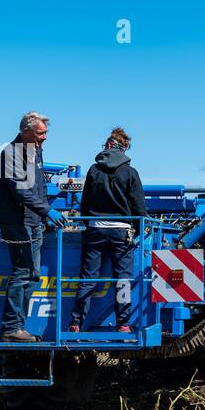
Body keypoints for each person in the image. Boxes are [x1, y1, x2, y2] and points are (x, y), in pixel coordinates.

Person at [68, 127, 147, 333]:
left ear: (107, 146)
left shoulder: (95, 170)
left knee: (88, 278)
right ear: (124, 148)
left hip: (95, 229)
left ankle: (76, 322)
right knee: (122, 279)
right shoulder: (130, 172)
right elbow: (139, 206)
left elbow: (84, 203)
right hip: (122, 231)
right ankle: (123, 323)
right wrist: (140, 228)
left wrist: (88, 223)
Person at [0, 112, 64, 342]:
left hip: (33, 221)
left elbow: (40, 186)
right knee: (22, 272)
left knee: (33, 275)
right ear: (26, 131)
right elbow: (20, 190)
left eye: (45, 133)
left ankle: (18, 325)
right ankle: (11, 327)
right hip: (16, 221)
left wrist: (44, 216)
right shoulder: (10, 154)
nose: (44, 138)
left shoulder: (36, 151)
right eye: (40, 133)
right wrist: (47, 211)